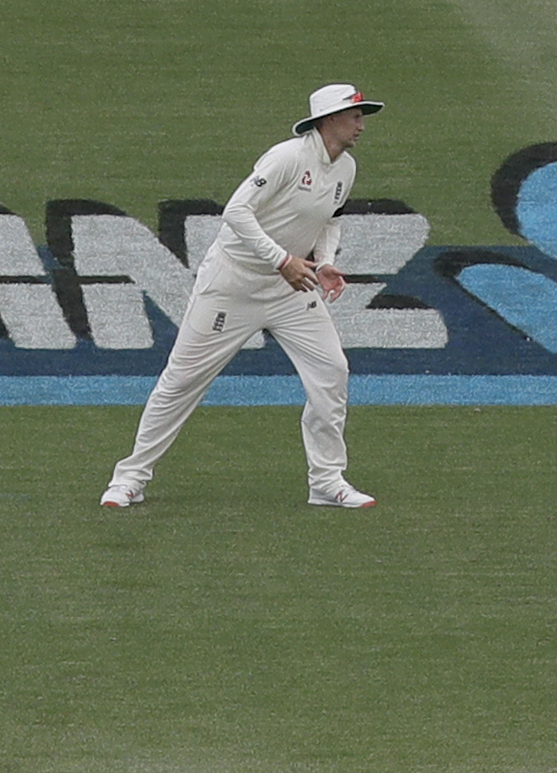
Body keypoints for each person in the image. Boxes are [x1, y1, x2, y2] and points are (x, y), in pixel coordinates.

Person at [101, 84, 383, 511]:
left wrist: (321, 262)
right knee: (181, 382)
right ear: (328, 120)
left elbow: (330, 219)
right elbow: (235, 211)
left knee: (332, 371)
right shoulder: (287, 157)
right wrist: (282, 259)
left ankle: (326, 481)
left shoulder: (346, 168)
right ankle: (130, 479)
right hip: (232, 286)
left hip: (291, 289)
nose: (361, 125)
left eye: (362, 116)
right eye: (355, 116)